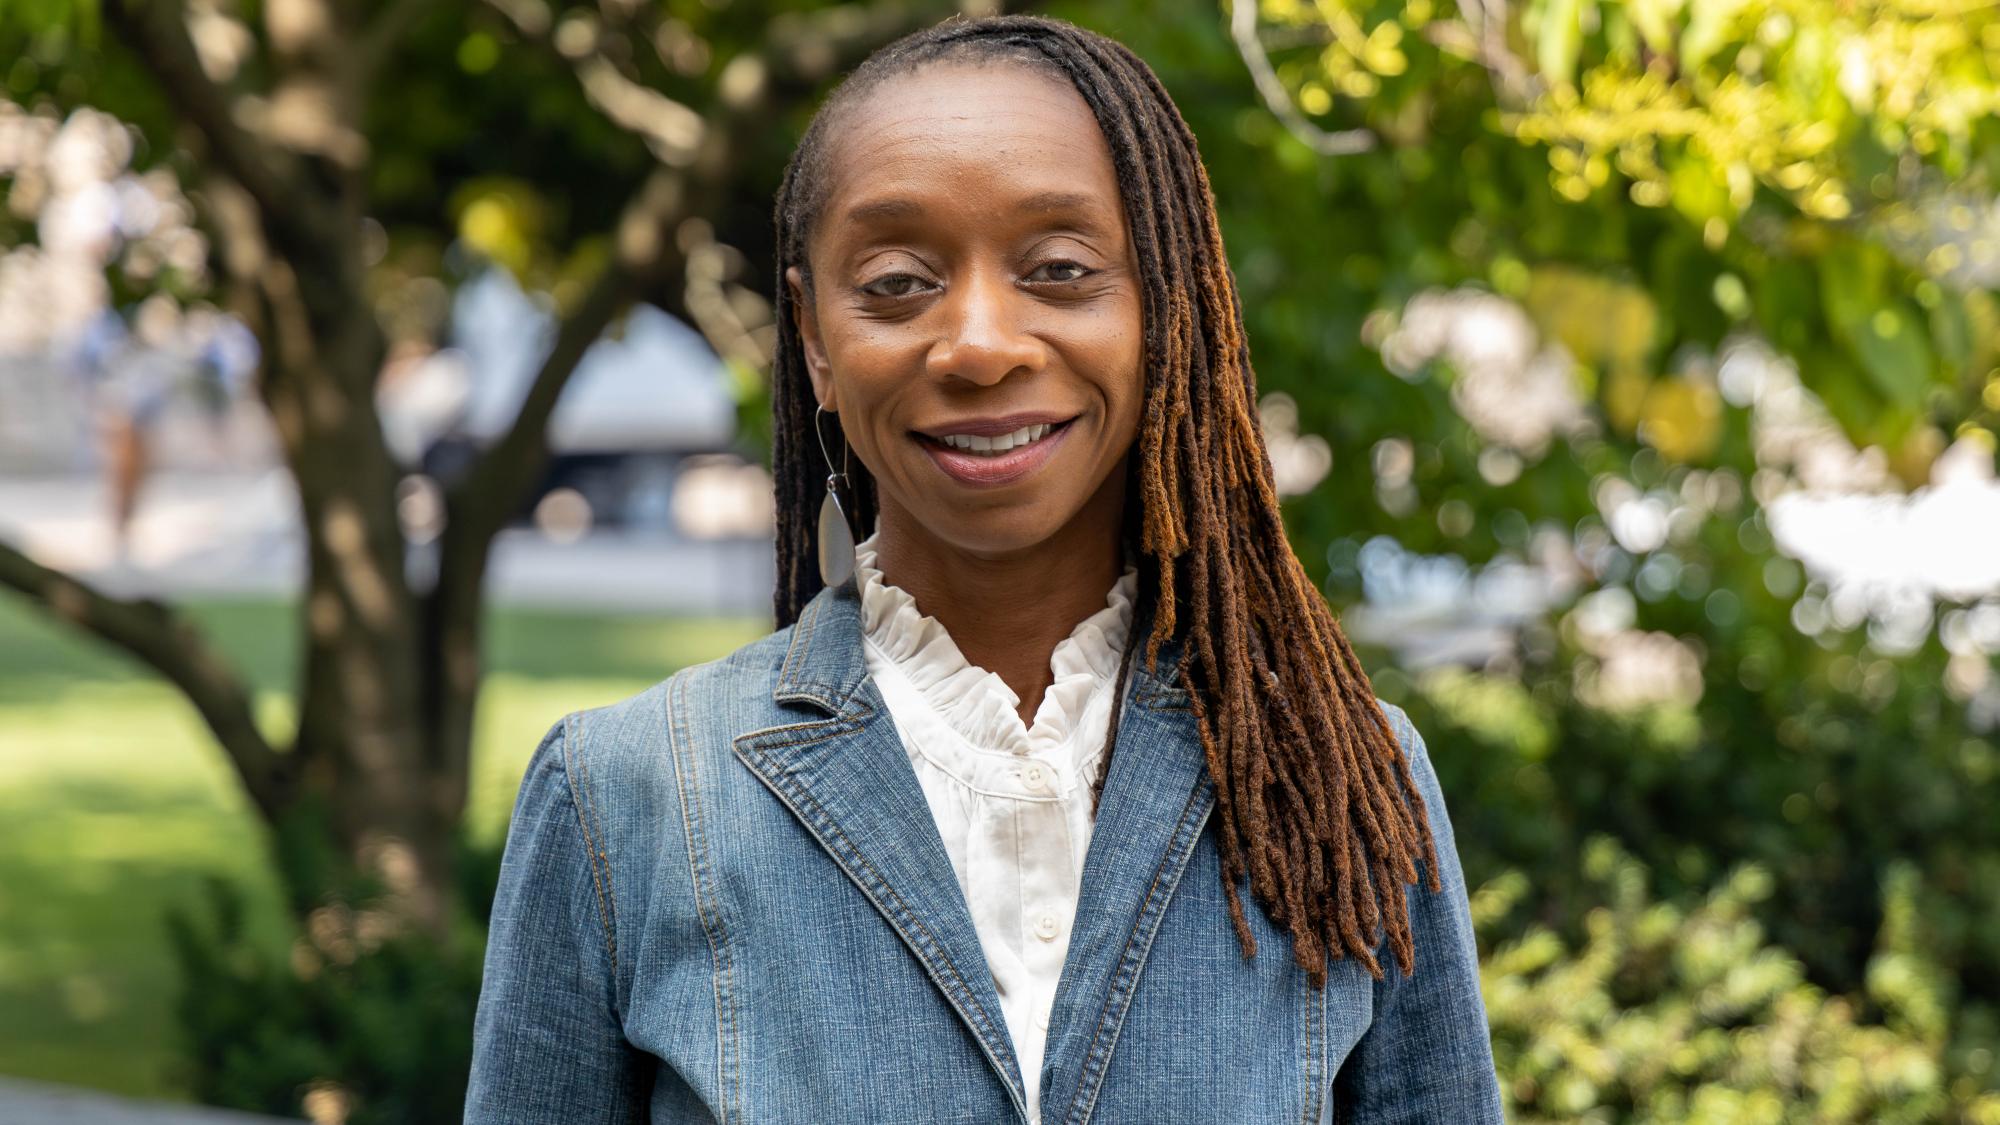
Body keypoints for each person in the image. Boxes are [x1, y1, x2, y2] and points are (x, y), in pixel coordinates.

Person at [465, 14, 1502, 1123]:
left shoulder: (1339, 780)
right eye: (899, 282)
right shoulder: (624, 798)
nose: (977, 344)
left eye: (1059, 270)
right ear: (814, 339)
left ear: (1166, 313)